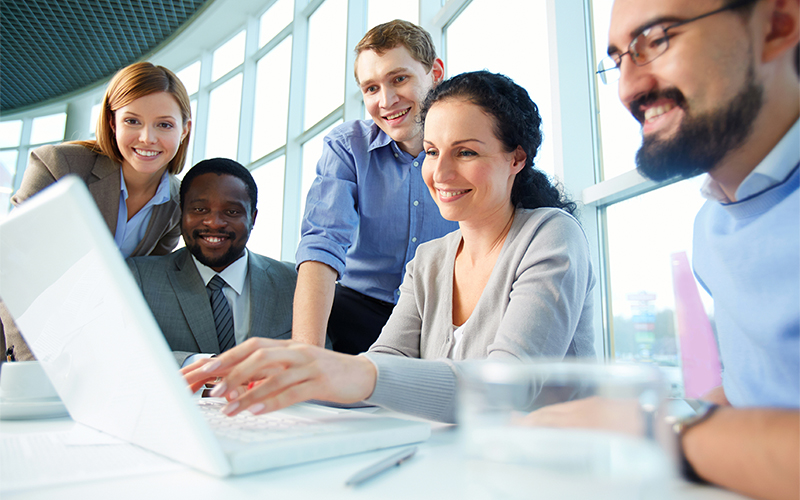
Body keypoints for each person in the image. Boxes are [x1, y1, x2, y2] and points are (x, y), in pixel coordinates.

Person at [183, 71, 596, 424]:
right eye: (432, 152)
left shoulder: (551, 235)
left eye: (466, 152)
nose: (441, 172)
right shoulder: (430, 260)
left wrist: (354, 372)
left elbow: (507, 391)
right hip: (456, 468)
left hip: (550, 474)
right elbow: (383, 369)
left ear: (517, 158)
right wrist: (287, 375)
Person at [527, 1, 799, 499]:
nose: (629, 88)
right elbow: (738, 415)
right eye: (618, 58)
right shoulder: (713, 225)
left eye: (657, 39)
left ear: (778, 24)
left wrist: (655, 431)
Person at [1, 61, 192, 361]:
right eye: (132, 121)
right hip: (15, 343)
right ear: (113, 122)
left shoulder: (178, 204)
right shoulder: (59, 166)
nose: (147, 138)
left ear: (184, 130)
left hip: (86, 355)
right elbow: (10, 266)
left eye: (164, 124)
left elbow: (140, 288)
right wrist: (30, 363)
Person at [293, 20, 459, 355]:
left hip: (441, 315)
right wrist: (306, 356)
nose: (387, 100)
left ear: (435, 73)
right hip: (358, 309)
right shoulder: (347, 146)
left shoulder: (470, 147)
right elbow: (322, 243)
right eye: (371, 88)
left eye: (399, 79)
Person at [127, 158, 297, 366]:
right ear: (182, 213)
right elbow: (121, 354)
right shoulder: (139, 278)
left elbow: (319, 360)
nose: (214, 223)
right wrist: (205, 366)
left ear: (253, 218)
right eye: (199, 209)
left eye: (232, 212)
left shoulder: (293, 282)